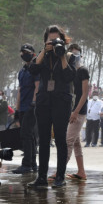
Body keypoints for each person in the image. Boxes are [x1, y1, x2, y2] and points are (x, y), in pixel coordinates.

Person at [27, 25, 76, 189]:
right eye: (51, 40)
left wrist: (61, 55)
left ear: (63, 40)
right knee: (44, 139)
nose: (54, 43)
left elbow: (69, 77)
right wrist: (44, 50)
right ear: (45, 41)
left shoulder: (69, 56)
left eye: (57, 40)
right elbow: (32, 69)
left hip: (61, 101)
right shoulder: (43, 57)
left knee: (61, 139)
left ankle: (60, 177)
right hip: (43, 102)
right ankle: (41, 177)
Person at [12, 44, 39, 174]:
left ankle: (27, 164)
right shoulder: (22, 71)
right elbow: (20, 90)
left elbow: (37, 86)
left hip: (31, 106)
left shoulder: (35, 69)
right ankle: (33, 164)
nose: (23, 54)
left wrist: (33, 103)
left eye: (26, 52)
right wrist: (17, 110)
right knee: (29, 136)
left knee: (26, 135)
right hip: (22, 107)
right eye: (22, 52)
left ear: (33, 54)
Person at [65, 44, 89, 180]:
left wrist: (75, 112)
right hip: (71, 110)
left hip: (79, 111)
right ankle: (81, 172)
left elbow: (84, 94)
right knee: (76, 142)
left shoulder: (82, 70)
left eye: (77, 54)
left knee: (68, 141)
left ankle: (59, 171)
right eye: (71, 54)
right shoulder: (69, 72)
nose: (74, 56)